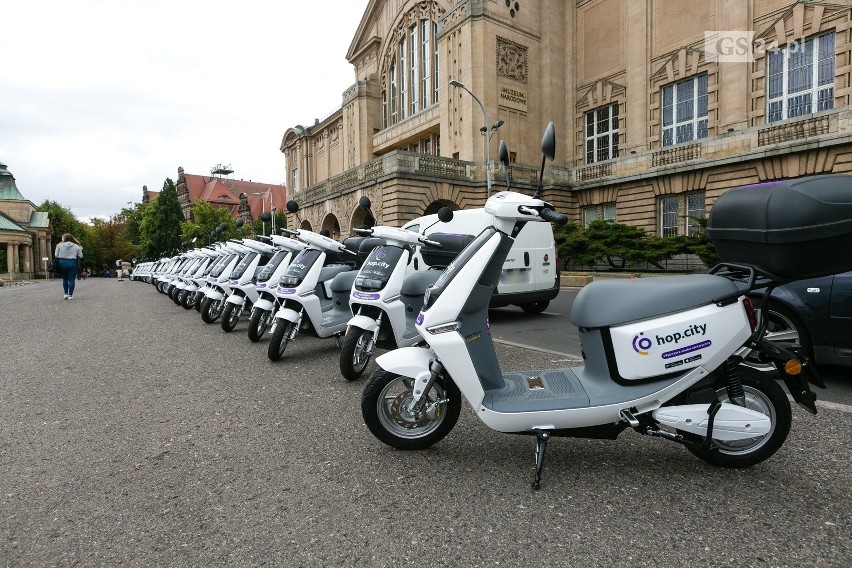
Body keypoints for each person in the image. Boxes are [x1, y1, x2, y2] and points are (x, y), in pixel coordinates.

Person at [54, 233, 83, 299]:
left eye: (62, 238)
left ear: (64, 239)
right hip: (73, 262)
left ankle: (66, 294)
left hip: (62, 263)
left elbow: (56, 255)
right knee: (72, 279)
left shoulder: (59, 245)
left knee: (65, 279)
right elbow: (81, 256)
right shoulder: (76, 246)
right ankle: (70, 295)